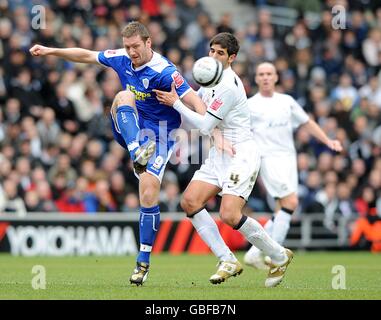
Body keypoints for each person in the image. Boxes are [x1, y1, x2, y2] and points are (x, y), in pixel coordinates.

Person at [30, 21, 208, 286]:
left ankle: (143, 262)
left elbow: (200, 107)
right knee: (123, 96)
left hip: (160, 135)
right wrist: (49, 50)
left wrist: (179, 106)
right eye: (127, 46)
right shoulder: (122, 58)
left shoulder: (165, 72)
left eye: (136, 46)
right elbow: (87, 55)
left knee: (148, 193)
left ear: (148, 43)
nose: (131, 51)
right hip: (131, 127)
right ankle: (137, 153)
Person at [154, 33, 293, 288]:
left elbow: (205, 123)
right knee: (189, 201)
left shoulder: (229, 85)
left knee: (229, 214)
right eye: (212, 51)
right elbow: (200, 108)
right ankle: (226, 259)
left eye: (220, 53)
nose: (214, 56)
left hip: (240, 153)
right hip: (220, 153)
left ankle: (278, 255)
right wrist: (179, 96)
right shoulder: (208, 77)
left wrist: (176, 104)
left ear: (232, 58)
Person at [243, 62, 343, 269]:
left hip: (289, 158)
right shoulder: (250, 105)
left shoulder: (287, 101)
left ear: (276, 77)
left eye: (269, 73)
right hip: (267, 159)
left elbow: (307, 122)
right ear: (256, 78)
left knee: (282, 208)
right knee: (290, 202)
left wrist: (328, 141)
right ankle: (276, 254)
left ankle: (254, 253)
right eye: (261, 74)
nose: (265, 77)